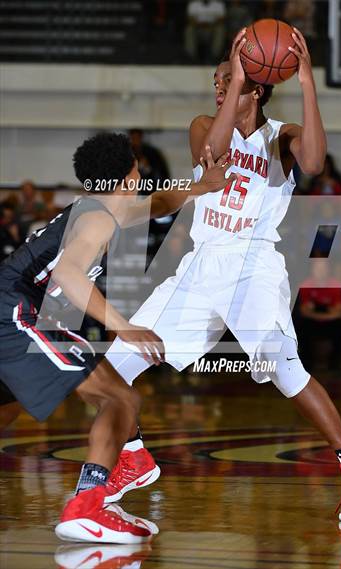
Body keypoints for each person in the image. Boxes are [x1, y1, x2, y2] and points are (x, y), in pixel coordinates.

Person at [106, 30, 341, 522]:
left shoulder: (281, 136)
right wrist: (240, 79)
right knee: (114, 365)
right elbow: (207, 158)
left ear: (259, 88)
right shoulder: (203, 125)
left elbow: (317, 163)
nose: (220, 89)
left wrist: (307, 82)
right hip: (201, 264)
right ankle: (133, 457)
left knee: (285, 371)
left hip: (254, 266)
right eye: (220, 81)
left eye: (228, 81)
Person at [0, 132, 234, 542]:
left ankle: (134, 459)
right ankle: (89, 504)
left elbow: (159, 203)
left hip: (14, 313)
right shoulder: (96, 219)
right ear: (131, 175)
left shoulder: (101, 207)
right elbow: (68, 274)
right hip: (15, 316)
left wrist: (201, 186)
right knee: (120, 397)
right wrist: (125, 326)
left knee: (6, 410)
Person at [298, 257, 341, 371]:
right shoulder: (306, 285)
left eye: (323, 268)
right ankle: (306, 364)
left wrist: (316, 310)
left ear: (328, 269)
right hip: (312, 323)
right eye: (317, 268)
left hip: (330, 324)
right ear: (312, 270)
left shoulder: (335, 284)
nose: (320, 271)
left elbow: (340, 312)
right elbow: (304, 312)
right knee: (302, 325)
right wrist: (328, 311)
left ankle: (335, 364)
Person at [185, 0, 226, 64]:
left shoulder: (218, 4)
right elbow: (190, 19)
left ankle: (214, 56)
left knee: (220, 29)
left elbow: (221, 19)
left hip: (212, 29)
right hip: (198, 29)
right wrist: (201, 25)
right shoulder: (193, 4)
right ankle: (191, 57)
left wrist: (210, 25)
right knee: (189, 29)